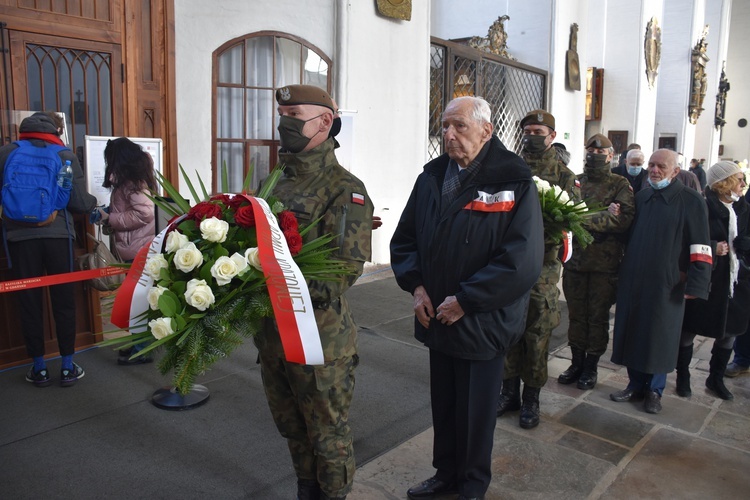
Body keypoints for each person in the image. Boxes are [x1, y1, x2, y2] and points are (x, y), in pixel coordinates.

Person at [391, 96, 543, 500]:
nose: (448, 134)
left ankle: (471, 487)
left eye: (458, 126)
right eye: (444, 126)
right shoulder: (431, 178)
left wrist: (467, 300)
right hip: (436, 315)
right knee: (444, 405)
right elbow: (405, 239)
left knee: (475, 413)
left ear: (486, 130)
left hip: (480, 320)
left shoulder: (512, 181)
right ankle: (445, 474)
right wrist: (416, 287)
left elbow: (521, 260)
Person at [254, 84, 373, 500]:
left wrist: (270, 282)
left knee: (328, 435)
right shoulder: (273, 181)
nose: (285, 122)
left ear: (324, 121)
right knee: (292, 427)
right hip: (273, 335)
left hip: (319, 341)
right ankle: (307, 489)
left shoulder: (346, 189)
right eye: (282, 113)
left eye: (294, 113)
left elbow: (342, 271)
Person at [610, 149, 711, 414]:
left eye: (661, 167)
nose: (654, 170)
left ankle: (655, 390)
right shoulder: (641, 198)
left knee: (658, 336)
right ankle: (635, 385)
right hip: (635, 278)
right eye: (651, 165)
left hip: (668, 282)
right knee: (634, 330)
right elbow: (626, 235)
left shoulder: (691, 201)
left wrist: (697, 282)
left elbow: (701, 244)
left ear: (675, 171)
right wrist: (617, 216)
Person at [0, 111, 97, 387]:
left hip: (19, 239)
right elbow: (78, 202)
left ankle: (38, 368)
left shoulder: (6, 153)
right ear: (55, 130)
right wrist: (93, 204)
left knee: (28, 302)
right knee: (63, 300)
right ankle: (67, 367)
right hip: (58, 238)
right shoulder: (64, 155)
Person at [496, 109, 579, 430]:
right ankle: (508, 392)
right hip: (508, 261)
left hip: (543, 264)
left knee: (537, 329)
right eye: (527, 130)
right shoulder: (510, 167)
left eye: (538, 131)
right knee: (509, 326)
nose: (532, 136)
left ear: (552, 136)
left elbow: (570, 220)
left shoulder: (565, 176)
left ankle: (532, 397)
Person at [559, 134, 634, 390]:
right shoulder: (575, 181)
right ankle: (576, 362)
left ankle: (591, 367)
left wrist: (585, 218)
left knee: (598, 318)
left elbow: (623, 220)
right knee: (577, 316)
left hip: (605, 266)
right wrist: (603, 215)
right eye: (590, 149)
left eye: (600, 151)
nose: (595, 154)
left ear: (611, 155)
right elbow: (565, 214)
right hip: (576, 263)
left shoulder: (620, 184)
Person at [677, 161, 750, 400]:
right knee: (689, 330)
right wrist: (711, 246)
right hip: (708, 279)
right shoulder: (704, 206)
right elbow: (685, 239)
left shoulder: (744, 209)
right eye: (738, 179)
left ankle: (715, 378)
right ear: (723, 182)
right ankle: (683, 377)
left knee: (729, 333)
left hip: (736, 281)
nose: (743, 184)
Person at [94, 137, 157, 365]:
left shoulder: (132, 183)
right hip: (136, 249)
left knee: (139, 302)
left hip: (139, 252)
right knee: (138, 302)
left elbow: (146, 213)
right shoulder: (131, 181)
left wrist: (110, 217)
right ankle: (140, 344)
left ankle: (142, 349)